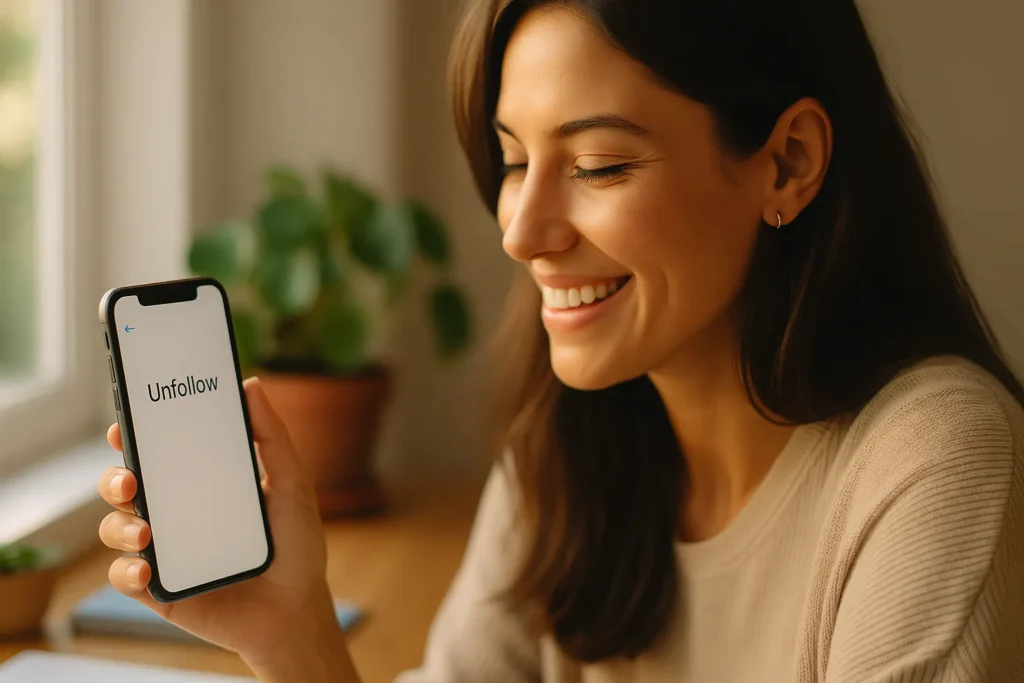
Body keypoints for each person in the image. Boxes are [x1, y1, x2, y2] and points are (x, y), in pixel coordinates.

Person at [96, 0, 1024, 681]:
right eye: (512, 161)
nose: (520, 229)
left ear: (788, 163)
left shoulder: (935, 461)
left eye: (598, 166)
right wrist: (290, 628)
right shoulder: (566, 453)